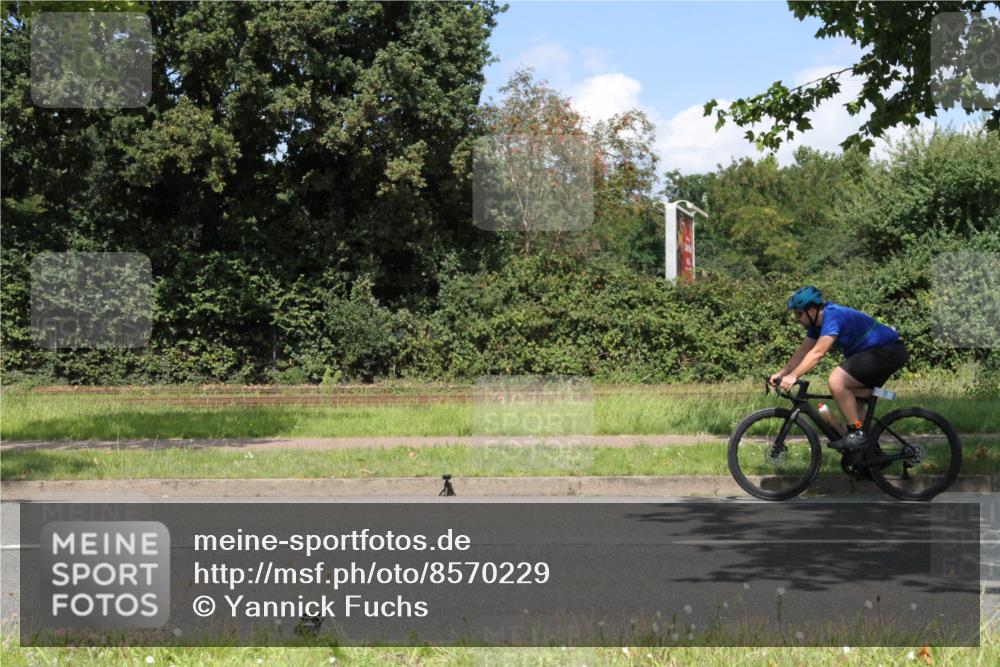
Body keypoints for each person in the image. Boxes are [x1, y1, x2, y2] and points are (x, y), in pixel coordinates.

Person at [770, 286, 909, 451]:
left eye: (798, 314)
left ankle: (856, 434)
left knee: (837, 381)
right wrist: (783, 373)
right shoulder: (816, 326)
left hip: (888, 351)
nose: (797, 318)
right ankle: (872, 454)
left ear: (812, 311)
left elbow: (818, 353)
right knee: (855, 406)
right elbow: (803, 351)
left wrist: (794, 376)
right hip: (876, 354)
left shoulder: (833, 316)